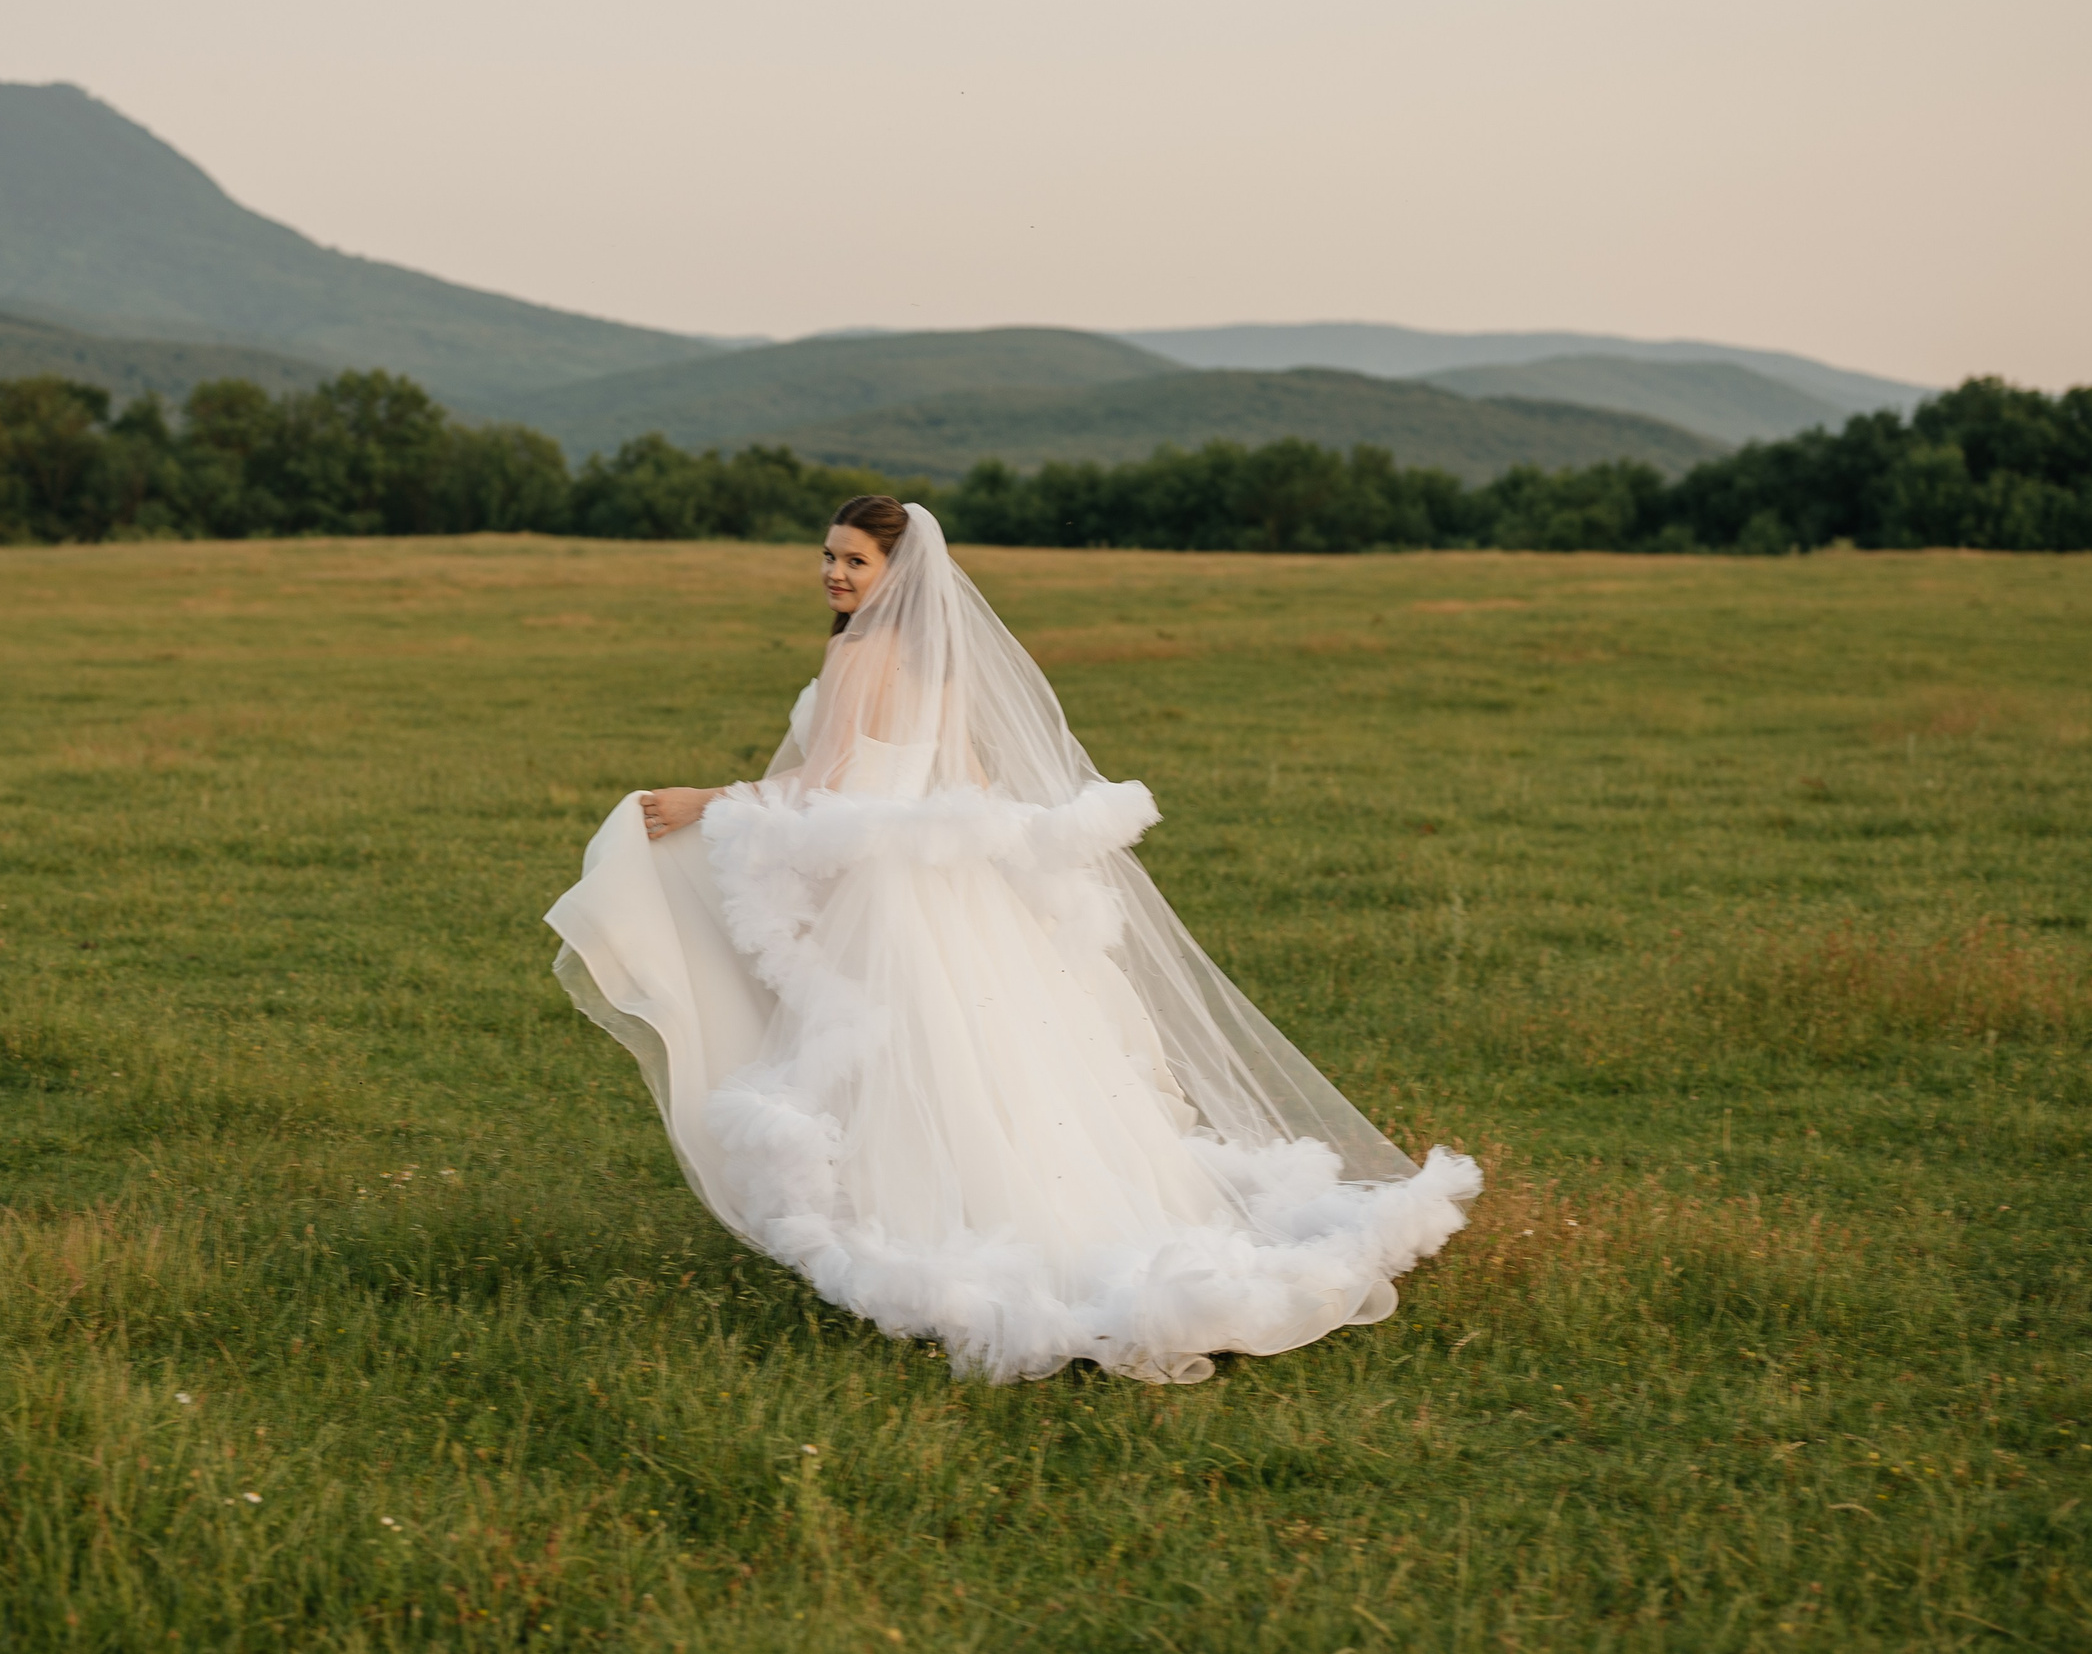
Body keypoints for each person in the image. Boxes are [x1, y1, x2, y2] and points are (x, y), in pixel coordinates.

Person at [546, 497, 1478, 1383]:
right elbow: (971, 779)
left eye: (853, 560)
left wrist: (703, 803)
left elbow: (821, 785)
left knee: (913, 1057)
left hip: (888, 893)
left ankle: (940, 1226)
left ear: (896, 571)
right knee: (988, 1057)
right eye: (828, 556)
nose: (833, 572)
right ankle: (1043, 1210)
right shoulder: (935, 661)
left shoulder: (860, 656)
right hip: (946, 887)